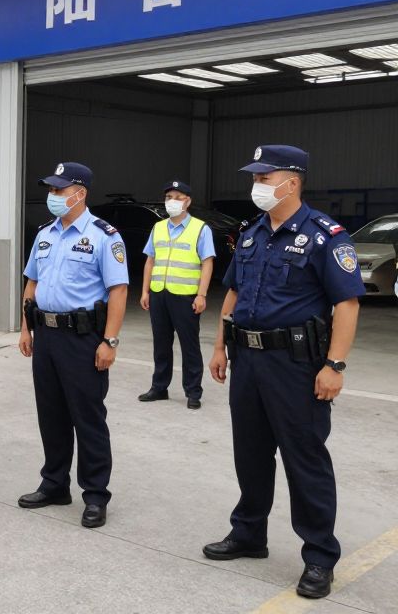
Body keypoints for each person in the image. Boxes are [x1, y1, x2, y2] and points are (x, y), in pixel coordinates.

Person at [203, 145, 363, 600]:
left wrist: (334, 364)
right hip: (247, 361)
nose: (256, 187)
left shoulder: (325, 236)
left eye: (264, 178)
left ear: (291, 182)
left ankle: (318, 557)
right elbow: (231, 294)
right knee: (250, 453)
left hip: (296, 365)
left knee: (304, 459)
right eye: (255, 178)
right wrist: (219, 346)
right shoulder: (251, 233)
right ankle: (249, 533)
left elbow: (346, 304)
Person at [17, 162, 128, 528]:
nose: (52, 196)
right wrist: (25, 328)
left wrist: (109, 341)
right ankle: (54, 484)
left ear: (80, 193)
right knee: (51, 415)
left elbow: (117, 291)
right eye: (50, 190)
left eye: (59, 190)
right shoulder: (45, 234)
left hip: (82, 339)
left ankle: (95, 495)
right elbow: (31, 282)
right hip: (45, 336)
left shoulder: (104, 236)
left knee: (88, 417)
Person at [138, 180, 216, 409]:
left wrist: (202, 295)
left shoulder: (201, 228)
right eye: (169, 197)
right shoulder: (158, 227)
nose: (172, 201)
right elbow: (150, 260)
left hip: (185, 296)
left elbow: (207, 263)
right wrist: (145, 291)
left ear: (188, 201)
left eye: (178, 197)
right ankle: (159, 387)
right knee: (161, 343)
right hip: (159, 294)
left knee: (189, 344)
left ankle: (193, 391)